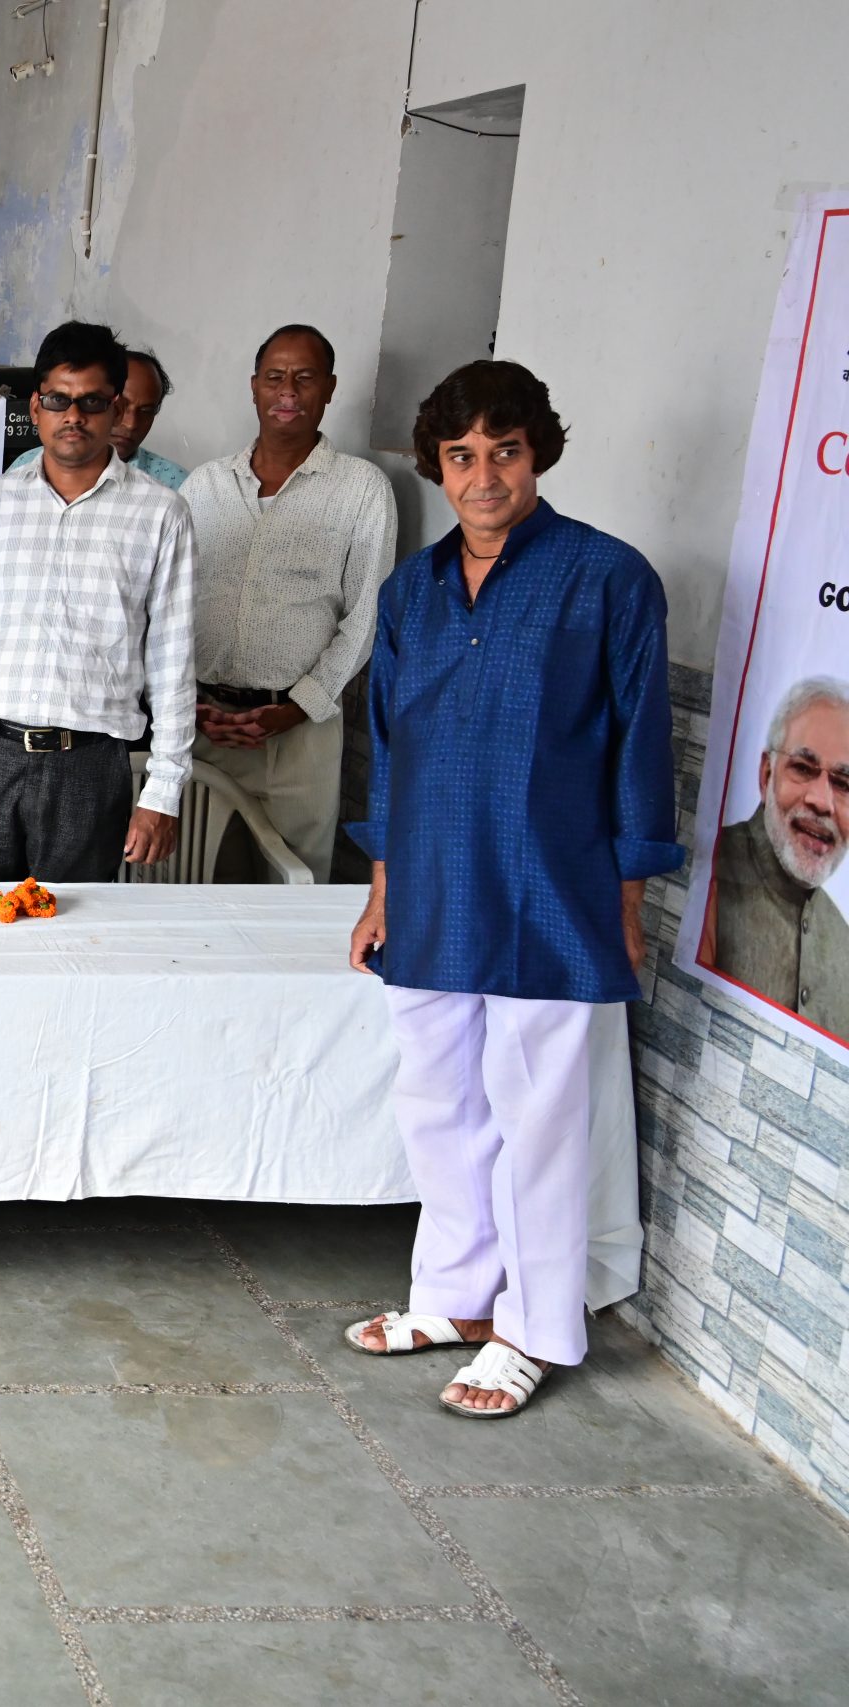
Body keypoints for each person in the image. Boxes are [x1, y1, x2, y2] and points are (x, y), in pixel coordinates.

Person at [344, 359, 680, 1419]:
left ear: (539, 454)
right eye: (461, 455)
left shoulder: (609, 579)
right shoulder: (412, 591)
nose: (483, 476)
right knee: (437, 1099)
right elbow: (389, 748)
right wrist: (380, 889)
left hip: (552, 889)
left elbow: (638, 752)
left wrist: (625, 904)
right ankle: (454, 1297)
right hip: (433, 881)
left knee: (537, 1118)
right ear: (435, 464)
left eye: (505, 451)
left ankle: (533, 1329)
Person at [0, 320, 193, 883]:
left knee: (75, 928)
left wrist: (164, 791)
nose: (74, 416)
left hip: (90, 766)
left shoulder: (160, 513)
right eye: (58, 400)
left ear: (115, 409)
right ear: (36, 407)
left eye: (92, 401)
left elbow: (172, 661)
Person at [178, 324, 395, 879]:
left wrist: (297, 708)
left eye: (305, 378)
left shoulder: (362, 489)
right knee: (194, 881)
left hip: (302, 737)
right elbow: (166, 604)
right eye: (275, 377)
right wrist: (190, 704)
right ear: (254, 386)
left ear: (330, 388)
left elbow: (366, 616)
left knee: (294, 884)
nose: (288, 392)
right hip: (204, 728)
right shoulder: (204, 486)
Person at [701, 677, 849, 1035]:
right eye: (803, 768)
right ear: (766, 774)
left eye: (844, 784)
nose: (822, 801)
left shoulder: (843, 941)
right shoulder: (709, 874)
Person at [6, 346, 185, 490]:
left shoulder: (176, 484)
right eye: (121, 407)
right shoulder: (26, 466)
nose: (131, 424)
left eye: (146, 411)